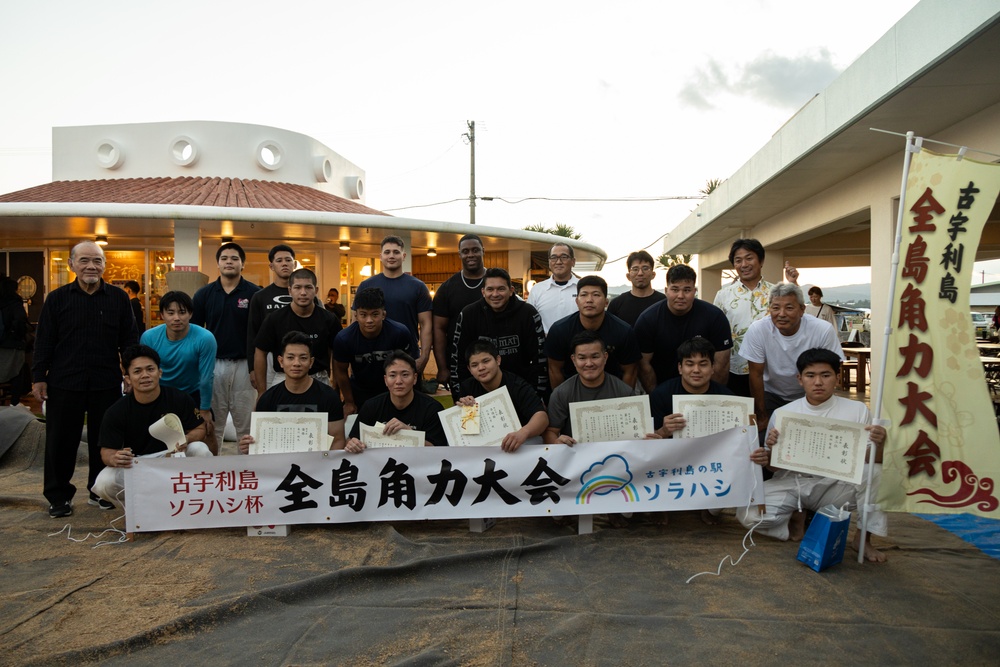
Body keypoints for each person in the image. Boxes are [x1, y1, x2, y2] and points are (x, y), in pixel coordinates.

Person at [737, 348, 889, 562]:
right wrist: (768, 455)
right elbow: (773, 468)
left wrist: (879, 444)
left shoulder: (857, 411)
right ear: (800, 379)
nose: (818, 382)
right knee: (747, 513)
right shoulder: (784, 414)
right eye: (810, 375)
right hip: (794, 483)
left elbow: (872, 459)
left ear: (837, 377)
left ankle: (863, 540)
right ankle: (794, 520)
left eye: (825, 375)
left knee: (874, 471)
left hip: (835, 485)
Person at [33, 241, 138, 517]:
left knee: (104, 440)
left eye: (97, 261)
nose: (91, 266)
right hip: (64, 381)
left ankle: (99, 491)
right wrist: (38, 377)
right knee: (60, 440)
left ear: (104, 265)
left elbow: (128, 341)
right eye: (84, 261)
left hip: (105, 381)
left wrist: (129, 374)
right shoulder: (57, 299)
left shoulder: (118, 298)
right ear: (72, 265)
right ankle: (58, 496)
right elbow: (43, 341)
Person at [92, 345, 212, 508]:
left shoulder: (179, 398)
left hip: (173, 457)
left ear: (160, 372)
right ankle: (142, 508)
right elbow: (106, 452)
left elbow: (200, 430)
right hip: (138, 463)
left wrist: (186, 439)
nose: (145, 376)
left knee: (199, 449)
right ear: (127, 378)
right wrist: (115, 457)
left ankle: (195, 503)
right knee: (103, 482)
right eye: (137, 371)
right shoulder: (116, 411)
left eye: (150, 369)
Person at [741, 283, 844, 433]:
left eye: (789, 308)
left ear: (802, 309)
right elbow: (755, 375)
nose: (781, 314)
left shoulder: (822, 329)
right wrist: (762, 415)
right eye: (775, 308)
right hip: (772, 393)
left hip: (810, 394)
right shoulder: (758, 330)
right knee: (768, 441)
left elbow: (832, 369)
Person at [192, 241, 260, 455]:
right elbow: (195, 330)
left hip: (245, 366)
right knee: (214, 422)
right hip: (213, 365)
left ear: (243, 264)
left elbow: (259, 333)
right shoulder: (204, 294)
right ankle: (214, 474)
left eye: (234, 259)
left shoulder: (254, 294)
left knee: (246, 424)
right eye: (224, 259)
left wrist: (255, 367)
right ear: (218, 264)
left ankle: (247, 472)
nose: (229, 262)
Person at [238, 332, 346, 454]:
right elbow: (261, 442)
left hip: (317, 468)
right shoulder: (268, 399)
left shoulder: (329, 397)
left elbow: (338, 440)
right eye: (290, 357)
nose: (296, 363)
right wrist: (249, 446)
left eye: (303, 358)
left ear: (311, 362)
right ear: (281, 361)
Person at [451, 268, 547, 400]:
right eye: (490, 289)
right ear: (483, 291)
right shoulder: (468, 315)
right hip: (478, 393)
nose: (495, 294)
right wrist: (460, 396)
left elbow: (540, 359)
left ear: (511, 290)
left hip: (521, 391)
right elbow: (459, 361)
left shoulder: (528, 314)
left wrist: (537, 395)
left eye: (501, 289)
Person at [634, 264, 732, 392]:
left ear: (694, 291)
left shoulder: (715, 317)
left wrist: (710, 397)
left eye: (687, 290)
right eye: (675, 289)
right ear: (666, 290)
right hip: (663, 387)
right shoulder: (648, 320)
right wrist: (656, 396)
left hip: (705, 390)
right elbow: (644, 365)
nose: (680, 296)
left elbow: (721, 364)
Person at [140, 291, 217, 446]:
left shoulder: (205, 338)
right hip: (160, 393)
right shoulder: (149, 337)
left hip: (192, 393)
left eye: (182, 312)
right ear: (162, 314)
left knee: (208, 431)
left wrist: (205, 409)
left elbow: (206, 377)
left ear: (190, 314)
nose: (176, 318)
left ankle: (210, 468)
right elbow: (145, 371)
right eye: (170, 313)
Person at [353, 235, 433, 377]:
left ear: (404, 256)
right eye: (387, 252)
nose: (391, 256)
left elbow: (426, 323)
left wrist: (424, 357)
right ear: (380, 256)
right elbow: (355, 322)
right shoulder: (366, 285)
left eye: (396, 252)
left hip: (407, 355)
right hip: (372, 356)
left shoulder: (418, 287)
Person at [253, 268, 341, 393]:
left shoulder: (329, 319)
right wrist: (261, 392)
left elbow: (338, 354)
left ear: (316, 291)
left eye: (308, 287)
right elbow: (260, 352)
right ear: (290, 290)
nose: (303, 292)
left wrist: (336, 386)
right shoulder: (274, 319)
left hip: (318, 379)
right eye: (297, 287)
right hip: (283, 379)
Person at [333, 287, 417, 416]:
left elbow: (407, 367)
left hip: (391, 390)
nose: (369, 320)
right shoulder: (344, 338)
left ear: (383, 314)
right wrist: (349, 401)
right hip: (360, 391)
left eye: (375, 314)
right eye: (363, 315)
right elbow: (341, 371)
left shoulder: (399, 333)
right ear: (356, 315)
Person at [545, 275, 639, 390]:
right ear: (577, 301)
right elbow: (555, 370)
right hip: (572, 393)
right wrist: (561, 400)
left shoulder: (624, 331)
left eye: (596, 295)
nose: (589, 300)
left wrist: (625, 402)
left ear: (606, 302)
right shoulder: (559, 330)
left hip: (613, 393)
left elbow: (630, 372)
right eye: (584, 295)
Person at [544, 331, 636, 446]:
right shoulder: (561, 393)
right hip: (576, 456)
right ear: (573, 360)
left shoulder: (624, 392)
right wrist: (556, 442)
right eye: (582, 358)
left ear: (605, 357)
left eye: (595, 356)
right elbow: (551, 431)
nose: (589, 363)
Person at [455, 340, 549, 452]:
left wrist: (523, 432)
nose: (481, 368)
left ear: (498, 360)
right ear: (469, 369)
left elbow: (542, 417)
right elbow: (468, 430)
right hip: (486, 447)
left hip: (520, 444)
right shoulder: (467, 387)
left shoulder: (517, 385)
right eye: (474, 365)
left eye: (486, 361)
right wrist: (466, 410)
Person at [344, 351, 447, 451]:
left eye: (405, 375)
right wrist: (353, 444)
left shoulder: (432, 408)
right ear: (385, 380)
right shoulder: (371, 406)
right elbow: (351, 440)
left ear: (415, 378)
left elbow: (438, 451)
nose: (398, 381)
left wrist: (410, 435)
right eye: (392, 375)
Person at [712, 238, 775, 398]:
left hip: (772, 369)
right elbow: (715, 332)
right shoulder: (723, 295)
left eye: (749, 258)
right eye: (738, 260)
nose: (744, 265)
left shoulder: (777, 293)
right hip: (736, 369)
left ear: (761, 260)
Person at [646, 337, 734, 439]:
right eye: (690, 364)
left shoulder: (728, 399)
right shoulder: (660, 396)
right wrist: (663, 431)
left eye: (703, 364)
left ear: (712, 368)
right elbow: (646, 443)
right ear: (680, 368)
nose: (696, 370)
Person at [432, 234, 487, 396]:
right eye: (466, 251)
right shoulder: (447, 289)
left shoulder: (495, 283)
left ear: (483, 251)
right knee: (466, 415)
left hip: (493, 361)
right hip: (459, 364)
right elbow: (439, 330)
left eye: (475, 250)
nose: (470, 254)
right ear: (459, 254)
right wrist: (442, 367)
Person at [246, 244, 298, 389]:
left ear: (294, 264)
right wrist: (252, 368)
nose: (284, 264)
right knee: (269, 403)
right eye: (279, 260)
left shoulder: (304, 295)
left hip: (299, 356)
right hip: (267, 358)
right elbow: (252, 333)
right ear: (271, 266)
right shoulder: (260, 297)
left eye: (288, 260)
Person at [527, 242, 579, 334]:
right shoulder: (537, 289)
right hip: (546, 346)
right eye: (554, 257)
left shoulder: (582, 288)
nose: (558, 262)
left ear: (573, 261)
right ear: (549, 262)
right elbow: (529, 320)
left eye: (564, 257)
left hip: (577, 345)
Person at [607, 250, 666, 325]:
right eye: (635, 269)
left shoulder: (663, 302)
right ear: (628, 276)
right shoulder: (616, 304)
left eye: (645, 268)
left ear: (653, 274)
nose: (640, 273)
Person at [0, 276, 29, 405]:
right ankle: (14, 403)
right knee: (17, 371)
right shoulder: (14, 303)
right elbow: (20, 322)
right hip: (12, 345)